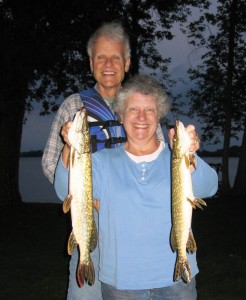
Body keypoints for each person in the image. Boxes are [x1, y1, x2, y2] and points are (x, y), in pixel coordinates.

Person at [54, 74, 218, 300]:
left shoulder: (176, 160)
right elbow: (65, 191)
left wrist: (190, 155)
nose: (141, 117)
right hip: (122, 284)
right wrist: (68, 147)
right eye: (133, 109)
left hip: (177, 280)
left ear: (159, 115)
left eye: (149, 110)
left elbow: (209, 187)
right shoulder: (102, 161)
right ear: (121, 116)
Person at [42, 22, 164, 300]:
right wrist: (84, 195)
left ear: (127, 62)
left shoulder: (141, 106)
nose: (108, 64)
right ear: (90, 63)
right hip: (89, 222)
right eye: (100, 57)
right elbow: (50, 165)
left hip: (134, 225)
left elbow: (159, 162)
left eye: (116, 57)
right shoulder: (74, 106)